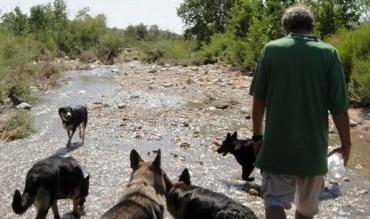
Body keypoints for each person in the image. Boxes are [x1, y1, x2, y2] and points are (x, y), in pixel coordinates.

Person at [249, 5, 351, 219]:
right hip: (313, 153)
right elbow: (339, 109)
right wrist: (346, 144)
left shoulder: (271, 50)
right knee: (305, 211)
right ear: (312, 26)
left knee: (274, 203)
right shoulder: (329, 53)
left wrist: (257, 136)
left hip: (276, 149)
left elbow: (259, 103)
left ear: (285, 27)